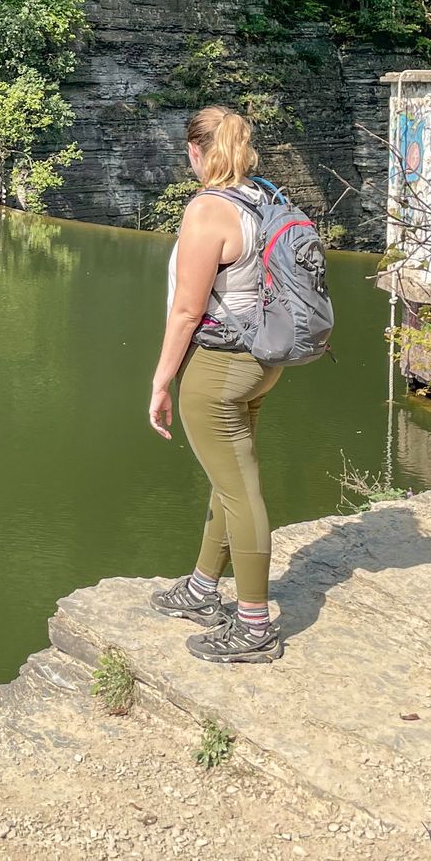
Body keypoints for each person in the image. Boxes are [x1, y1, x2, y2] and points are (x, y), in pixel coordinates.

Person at [146, 105, 285, 664]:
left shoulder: (208, 211)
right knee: (229, 477)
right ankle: (204, 589)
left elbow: (186, 310)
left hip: (220, 366)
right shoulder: (264, 199)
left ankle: (254, 625)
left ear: (196, 152)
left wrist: (161, 381)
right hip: (262, 361)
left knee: (239, 489)